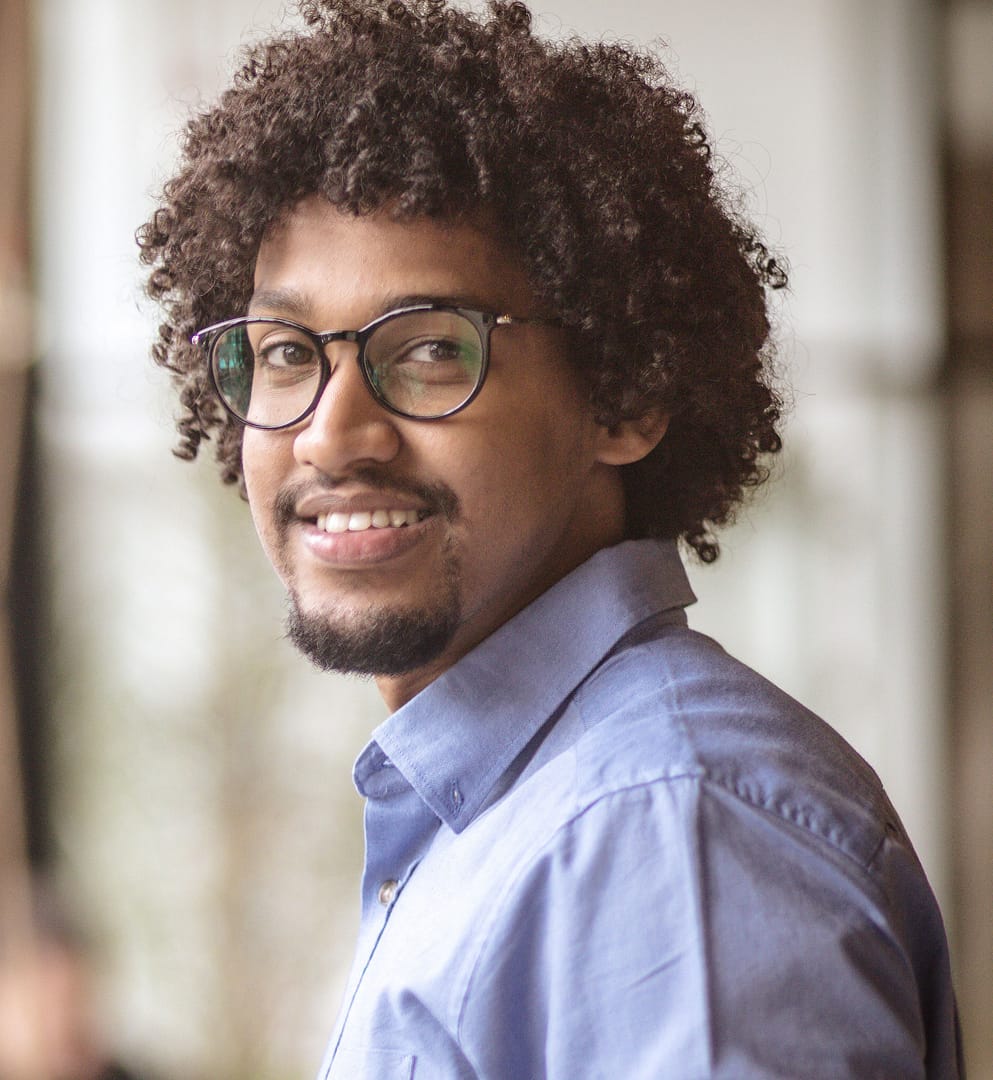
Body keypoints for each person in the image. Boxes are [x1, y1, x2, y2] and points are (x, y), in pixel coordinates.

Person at [138, 1, 963, 1076]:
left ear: (624, 397)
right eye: (287, 352)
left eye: (431, 349)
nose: (331, 432)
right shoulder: (518, 817)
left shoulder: (667, 832)